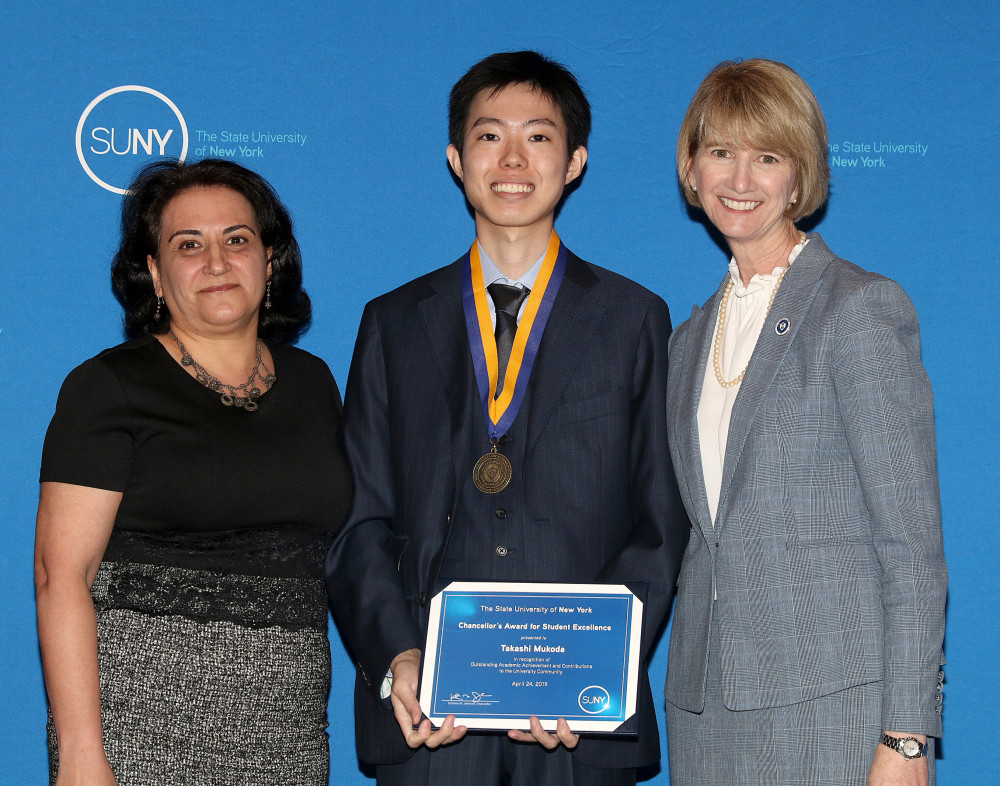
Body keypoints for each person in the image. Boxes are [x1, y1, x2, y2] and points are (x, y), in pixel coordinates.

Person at [325, 50, 687, 786]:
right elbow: (358, 518)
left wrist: (599, 672)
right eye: (490, 136)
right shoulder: (392, 323)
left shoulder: (633, 318)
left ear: (576, 160)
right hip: (430, 722)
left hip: (578, 727)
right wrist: (398, 658)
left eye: (540, 136)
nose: (513, 158)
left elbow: (660, 522)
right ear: (457, 158)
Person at [664, 59, 947, 785]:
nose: (740, 179)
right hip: (703, 711)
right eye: (720, 152)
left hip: (833, 709)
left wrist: (908, 736)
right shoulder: (688, 339)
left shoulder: (858, 310)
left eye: (768, 157)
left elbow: (910, 545)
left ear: (801, 177)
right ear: (692, 170)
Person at [34, 158, 351, 786]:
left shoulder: (314, 384)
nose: (216, 262)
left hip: (288, 735)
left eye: (237, 239)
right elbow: (60, 576)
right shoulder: (109, 387)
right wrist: (79, 755)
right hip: (138, 733)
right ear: (153, 271)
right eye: (188, 245)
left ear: (270, 259)